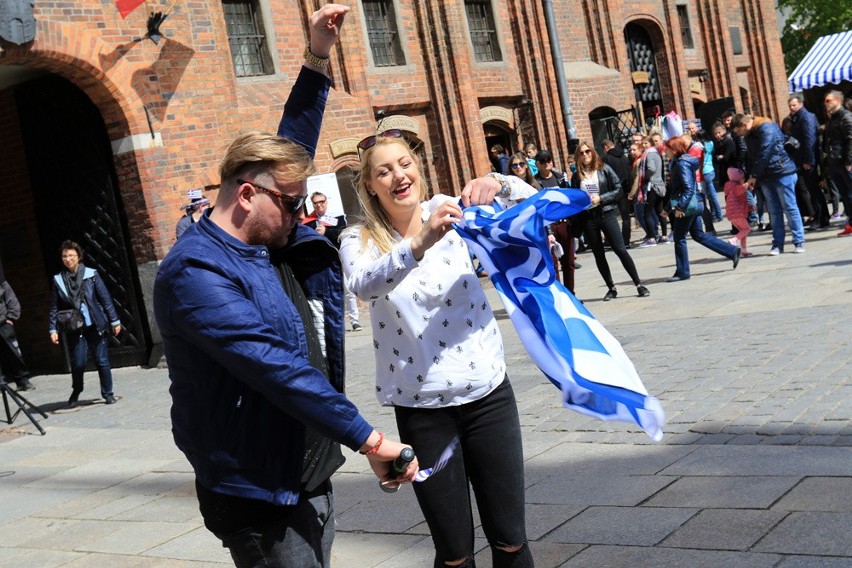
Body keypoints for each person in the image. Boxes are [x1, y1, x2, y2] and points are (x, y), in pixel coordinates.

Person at [153, 7, 418, 568]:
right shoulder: (194, 274)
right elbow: (274, 364)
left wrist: (318, 57)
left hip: (305, 470)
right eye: (292, 203)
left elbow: (289, 148)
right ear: (247, 196)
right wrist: (370, 440)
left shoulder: (265, 226)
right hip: (258, 490)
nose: (301, 213)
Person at [340, 133, 534, 567]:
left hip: (488, 398)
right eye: (384, 171)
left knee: (510, 538)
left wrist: (499, 184)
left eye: (404, 164)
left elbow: (537, 209)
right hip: (424, 410)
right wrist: (419, 242)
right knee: (453, 552)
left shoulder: (452, 211)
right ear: (370, 184)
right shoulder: (359, 240)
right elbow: (365, 283)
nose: (398, 177)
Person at [571, 142, 650, 300]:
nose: (585, 155)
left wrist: (601, 198)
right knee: (599, 254)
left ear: (593, 153)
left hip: (605, 213)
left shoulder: (604, 169)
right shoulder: (576, 176)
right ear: (578, 157)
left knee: (620, 249)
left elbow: (618, 189)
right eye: (581, 153)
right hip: (589, 218)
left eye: (587, 151)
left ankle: (638, 284)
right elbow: (574, 198)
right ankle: (611, 288)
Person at [48, 240, 122, 406]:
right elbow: (54, 306)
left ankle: (108, 393)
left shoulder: (91, 275)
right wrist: (52, 329)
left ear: (79, 257)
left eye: (71, 255)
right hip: (75, 326)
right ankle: (77, 389)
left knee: (101, 360)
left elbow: (105, 298)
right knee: (79, 362)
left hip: (95, 324)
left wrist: (114, 320)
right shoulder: (58, 280)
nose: (68, 259)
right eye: (65, 256)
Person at [664, 135, 741, 282]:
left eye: (667, 148)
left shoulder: (681, 164)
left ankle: (682, 271)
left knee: (679, 237)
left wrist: (680, 207)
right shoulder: (681, 162)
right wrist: (667, 208)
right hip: (696, 203)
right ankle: (732, 251)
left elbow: (687, 188)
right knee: (699, 235)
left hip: (689, 205)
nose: (665, 151)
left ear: (674, 150)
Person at [732, 113, 805, 254]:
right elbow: (752, 157)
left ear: (744, 124)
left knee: (790, 208)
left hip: (782, 170)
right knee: (774, 211)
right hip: (765, 176)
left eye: (738, 131)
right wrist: (751, 175)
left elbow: (766, 152)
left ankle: (798, 241)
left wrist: (753, 176)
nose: (739, 135)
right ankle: (778, 244)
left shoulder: (766, 127)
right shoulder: (749, 134)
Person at [303, 191, 362, 331]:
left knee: (347, 289)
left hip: (338, 258)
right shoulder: (308, 222)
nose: (319, 205)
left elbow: (342, 235)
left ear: (326, 202)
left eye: (321, 202)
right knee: (327, 292)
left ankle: (355, 320)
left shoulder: (338, 218)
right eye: (316, 203)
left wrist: (326, 232)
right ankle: (334, 322)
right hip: (321, 261)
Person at [788, 94, 830, 231]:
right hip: (802, 159)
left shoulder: (806, 117)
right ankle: (822, 218)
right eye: (790, 105)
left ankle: (820, 218)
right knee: (812, 189)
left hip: (808, 160)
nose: (791, 108)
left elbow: (810, 140)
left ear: (801, 104)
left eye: (794, 105)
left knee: (814, 190)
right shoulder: (797, 118)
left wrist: (808, 160)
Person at [822, 90, 852, 237]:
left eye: (829, 101)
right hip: (834, 161)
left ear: (838, 101)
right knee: (845, 194)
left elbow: (850, 140)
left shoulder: (846, 116)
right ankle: (850, 223)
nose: (826, 104)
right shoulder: (832, 118)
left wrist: (849, 161)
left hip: (844, 161)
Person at [0, 279, 34, 391]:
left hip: (3, 323)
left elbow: (11, 299)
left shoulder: (1, 282)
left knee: (13, 352)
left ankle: (22, 380)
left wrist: (11, 318)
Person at [601, 138, 633, 247]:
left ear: (605, 147)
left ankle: (611, 241)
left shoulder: (606, 158)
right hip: (624, 190)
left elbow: (604, 176)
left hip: (612, 191)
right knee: (625, 217)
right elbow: (629, 172)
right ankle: (626, 240)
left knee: (609, 216)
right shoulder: (624, 157)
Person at [724, 167, 753, 257]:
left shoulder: (729, 186)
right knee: (747, 229)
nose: (744, 180)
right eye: (743, 179)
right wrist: (749, 182)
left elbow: (739, 201)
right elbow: (742, 188)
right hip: (738, 214)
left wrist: (749, 207)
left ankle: (743, 250)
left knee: (742, 231)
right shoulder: (736, 187)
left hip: (732, 214)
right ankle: (734, 240)